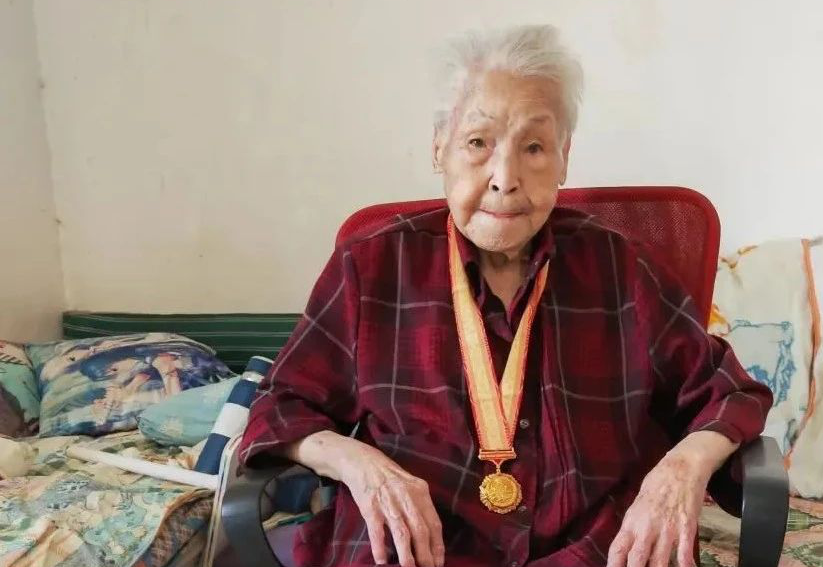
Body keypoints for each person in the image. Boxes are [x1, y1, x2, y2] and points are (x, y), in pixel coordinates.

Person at [239, 24, 772, 567]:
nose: (505, 178)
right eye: (478, 143)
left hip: (590, 550)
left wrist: (682, 469)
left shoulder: (623, 269)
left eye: (533, 147)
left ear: (563, 158)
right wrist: (360, 465)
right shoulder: (372, 268)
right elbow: (280, 405)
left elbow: (730, 393)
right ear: (439, 147)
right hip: (420, 551)